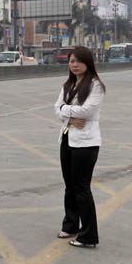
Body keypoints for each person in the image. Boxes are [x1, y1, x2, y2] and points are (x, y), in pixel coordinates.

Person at [54, 46, 106, 248]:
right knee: (69, 186)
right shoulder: (68, 84)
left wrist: (65, 110)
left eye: (78, 61)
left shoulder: (96, 86)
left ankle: (89, 235)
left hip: (86, 143)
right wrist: (69, 115)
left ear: (88, 63)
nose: (74, 65)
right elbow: (55, 109)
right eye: (71, 61)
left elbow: (87, 111)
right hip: (67, 138)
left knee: (81, 188)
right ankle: (70, 225)